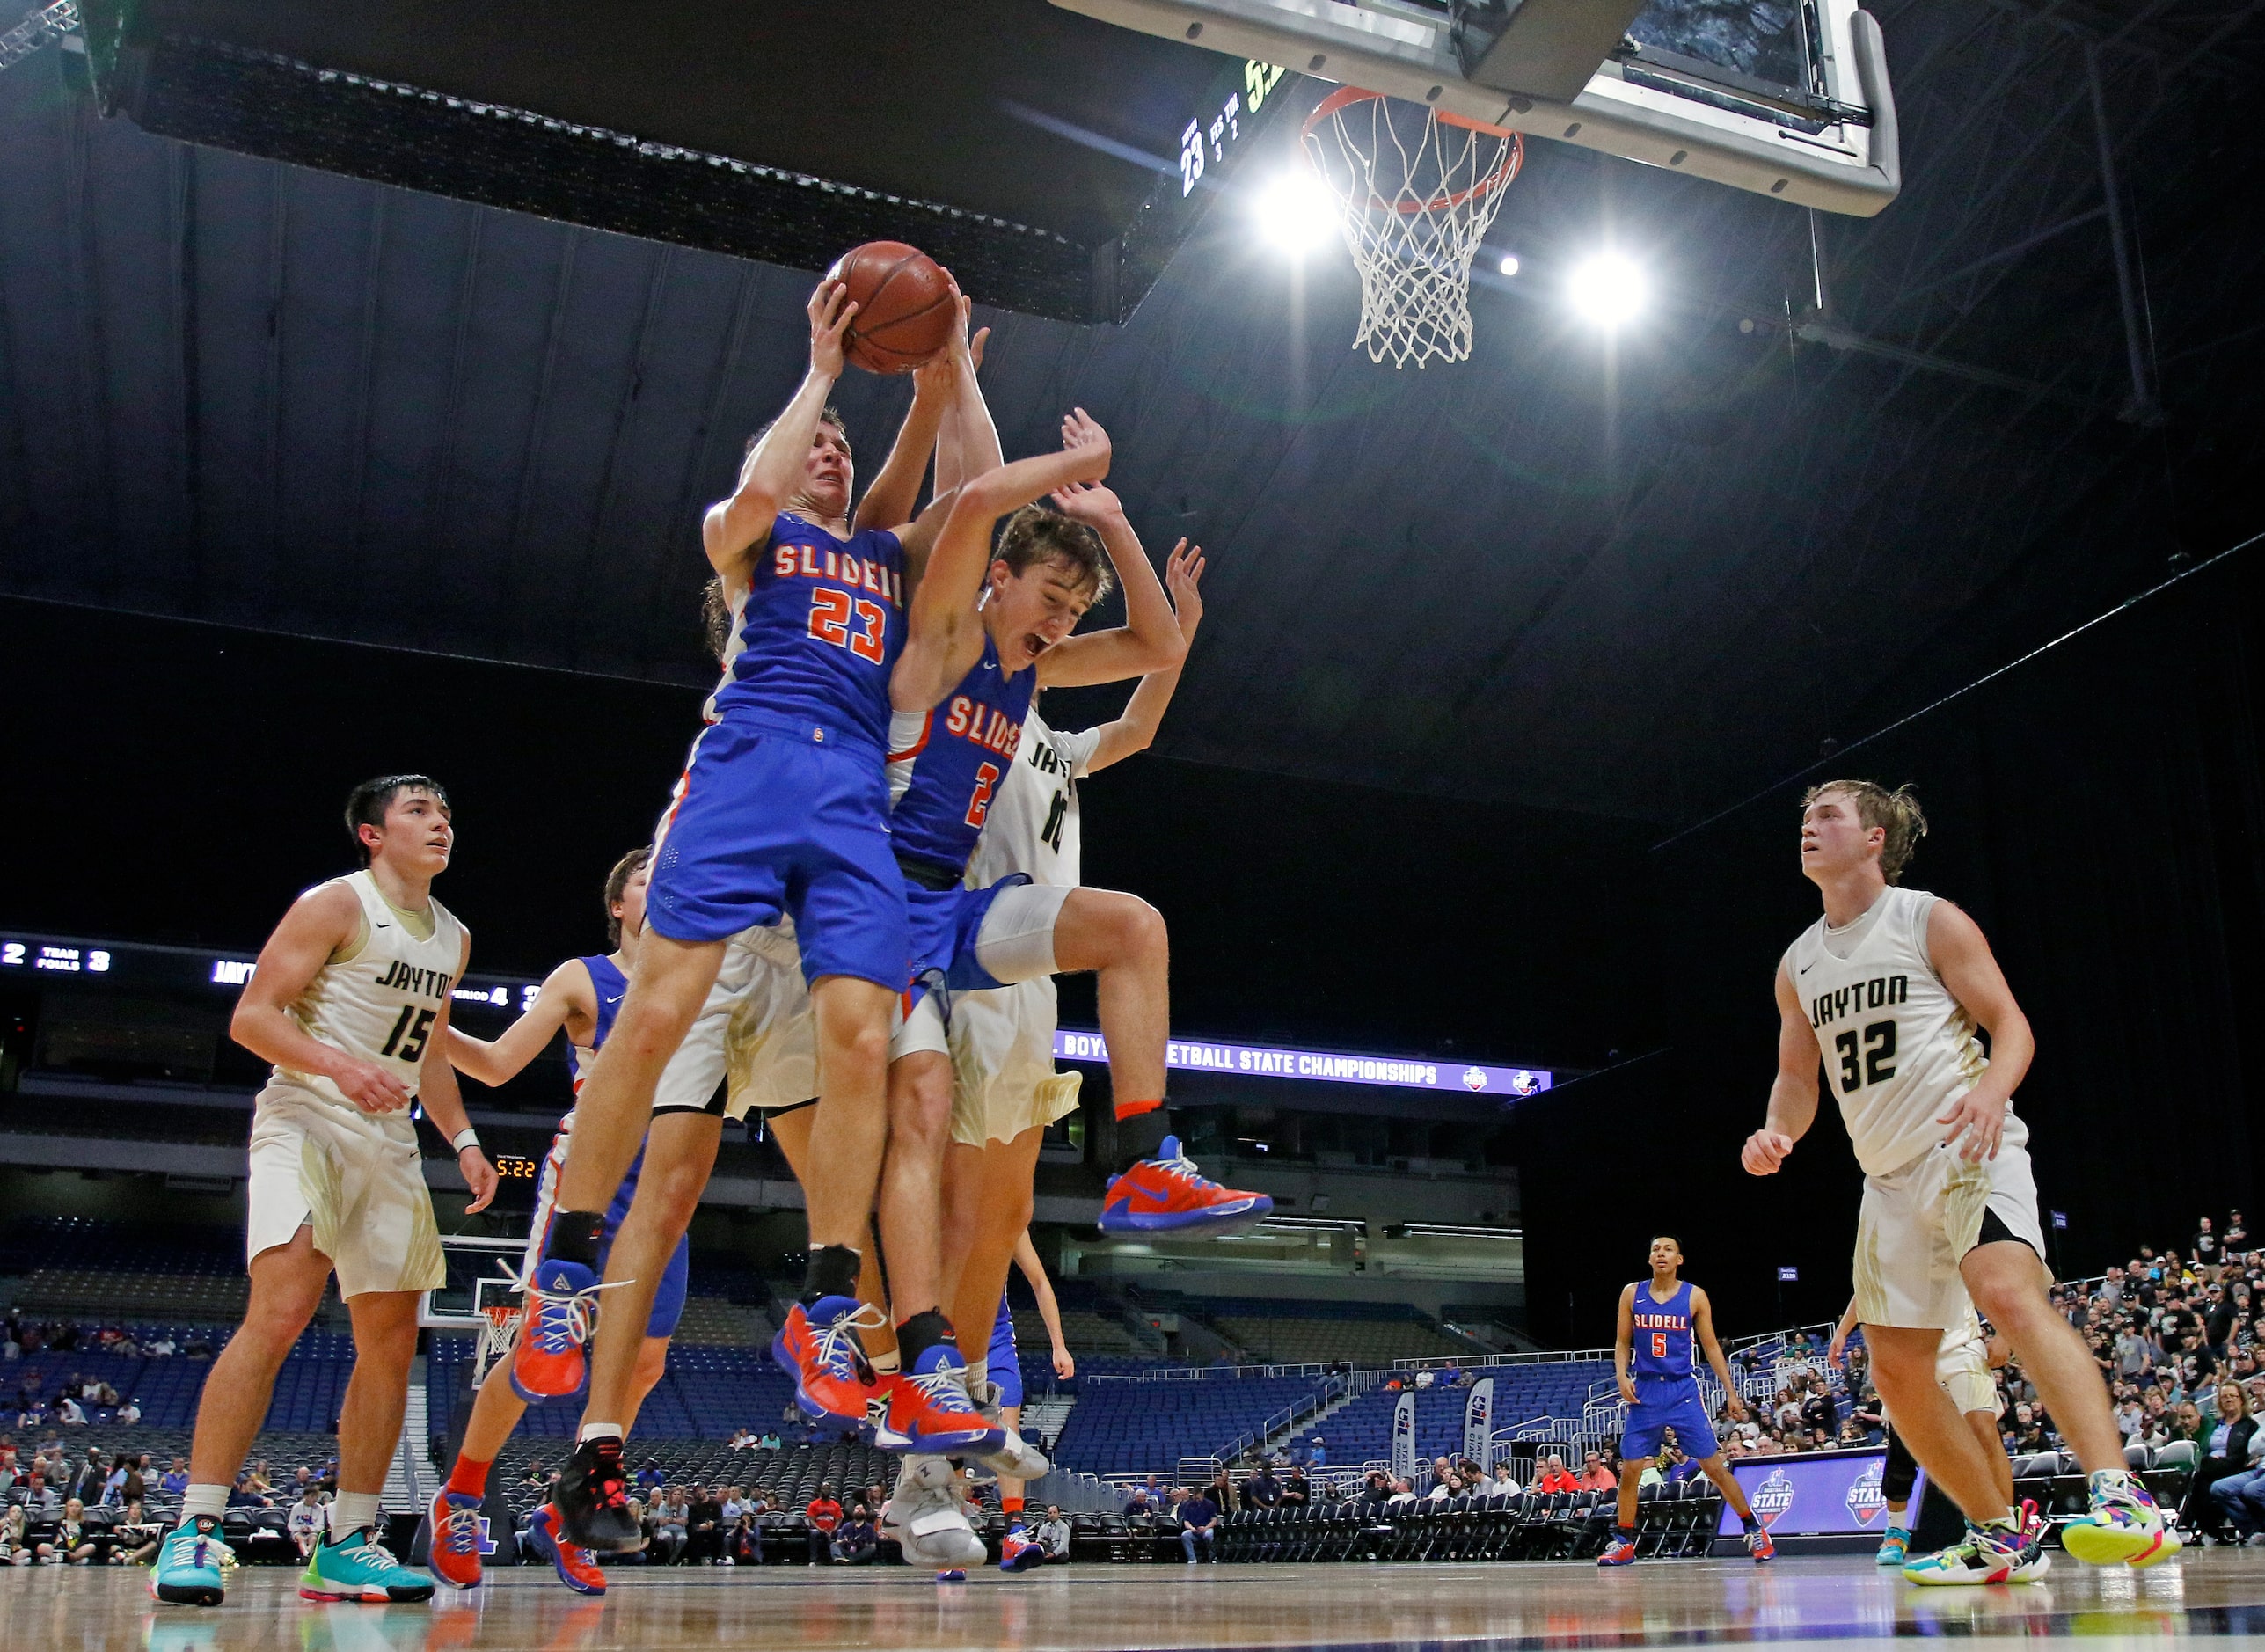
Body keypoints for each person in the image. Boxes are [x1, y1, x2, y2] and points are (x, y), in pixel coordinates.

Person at [515, 276, 997, 1552]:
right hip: (747, 823)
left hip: (830, 871)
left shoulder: (886, 559)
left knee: (880, 1090)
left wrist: (945, 377)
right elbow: (778, 486)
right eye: (810, 447)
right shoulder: (765, 542)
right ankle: (585, 1403)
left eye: (836, 449)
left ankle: (842, 1312)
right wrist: (827, 372)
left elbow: (960, 491)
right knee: (666, 1169)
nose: (829, 454)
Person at [1743, 780, 2171, 1584]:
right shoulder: (1796, 963)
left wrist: (1988, 1092)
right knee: (1896, 1370)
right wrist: (1776, 1131)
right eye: (1804, 817)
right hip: (1886, 1179)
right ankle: (1996, 1533)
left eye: (1827, 815)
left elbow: (2011, 1024)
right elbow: (1797, 1078)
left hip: (1966, 1142)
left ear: (1874, 837)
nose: (1808, 826)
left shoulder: (1927, 918)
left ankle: (2123, 1496)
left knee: (2005, 1291)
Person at [152, 776, 495, 1608]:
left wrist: (466, 1140)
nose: (439, 823)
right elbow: (253, 1016)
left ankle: (347, 1540)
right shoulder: (335, 905)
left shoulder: (453, 935)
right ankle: (194, 1528)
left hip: (388, 1138)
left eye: (445, 812)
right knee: (278, 1313)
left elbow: (433, 1050)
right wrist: (341, 1065)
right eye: (418, 811)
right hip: (307, 1113)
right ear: (372, 834)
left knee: (390, 1343)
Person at [427, 847, 686, 1597]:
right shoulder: (584, 977)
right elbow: (498, 1064)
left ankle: (569, 1504)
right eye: (644, 879)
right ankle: (462, 1495)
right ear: (617, 904)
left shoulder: (701, 980)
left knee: (643, 1363)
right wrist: (427, 1020)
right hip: (592, 1181)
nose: (659, 887)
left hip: (665, 1183)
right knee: (544, 1356)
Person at [1598, 1236, 1774, 1568]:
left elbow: (1711, 1347)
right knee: (1631, 1470)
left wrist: (1731, 1393)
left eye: (1667, 1249)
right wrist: (1621, 1375)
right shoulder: (1630, 1293)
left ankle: (1754, 1529)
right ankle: (1623, 1541)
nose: (1660, 1253)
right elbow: (1622, 1342)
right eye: (1655, 1249)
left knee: (1714, 1467)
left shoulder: (1694, 1295)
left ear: (1680, 1259)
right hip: (1645, 1390)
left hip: (1682, 1390)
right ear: (1649, 1258)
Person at [1830, 1294, 2014, 1568]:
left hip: (1962, 1346)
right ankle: (1896, 1533)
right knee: (1901, 1450)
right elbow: (1868, 1286)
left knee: (1984, 1434)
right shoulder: (1885, 1251)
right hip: (1910, 1357)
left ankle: (2006, 1532)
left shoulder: (1958, 1249)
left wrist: (2005, 1335)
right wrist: (1842, 1331)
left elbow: (1997, 1278)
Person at [2182, 1383, 2261, 1540]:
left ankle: (2249, 1529)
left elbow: (2243, 1455)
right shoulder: (2215, 1424)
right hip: (2211, 1467)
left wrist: (2215, 1462)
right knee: (2192, 1482)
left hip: (2234, 1467)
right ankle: (2213, 1532)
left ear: (2241, 1400)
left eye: (2233, 1396)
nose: (2229, 1400)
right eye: (2225, 1396)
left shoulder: (2249, 1425)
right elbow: (2204, 1449)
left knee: (2200, 1482)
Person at [1177, 1485, 1219, 1563]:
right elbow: (1186, 1521)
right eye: (1195, 1498)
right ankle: (1192, 1558)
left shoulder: (1210, 1504)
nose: (1197, 1500)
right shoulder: (1189, 1505)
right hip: (1194, 1530)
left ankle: (1212, 1557)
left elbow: (1214, 1521)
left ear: (1202, 1495)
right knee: (1185, 1535)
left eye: (1198, 1498)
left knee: (1209, 1535)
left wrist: (1205, 1528)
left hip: (1206, 1529)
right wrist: (1192, 1528)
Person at [806, 1484, 843, 1566]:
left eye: (827, 1489)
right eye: (824, 1488)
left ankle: (840, 1557)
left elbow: (838, 1520)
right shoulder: (814, 1504)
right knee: (813, 1533)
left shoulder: (835, 1505)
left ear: (830, 1491)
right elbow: (811, 1520)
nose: (826, 1490)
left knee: (841, 1532)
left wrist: (834, 1529)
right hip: (819, 1529)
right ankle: (813, 1559)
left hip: (832, 1529)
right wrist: (820, 1529)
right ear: (820, 1490)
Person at [287, 1487, 328, 1560]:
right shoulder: (296, 1507)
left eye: (316, 1496)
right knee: (301, 1539)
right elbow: (290, 1525)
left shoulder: (319, 1508)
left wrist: (311, 1529)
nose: (315, 1499)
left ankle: (306, 1554)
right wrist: (300, 1528)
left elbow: (321, 1526)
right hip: (298, 1531)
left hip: (312, 1531)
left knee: (313, 1539)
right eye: (312, 1496)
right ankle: (306, 1554)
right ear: (305, 1496)